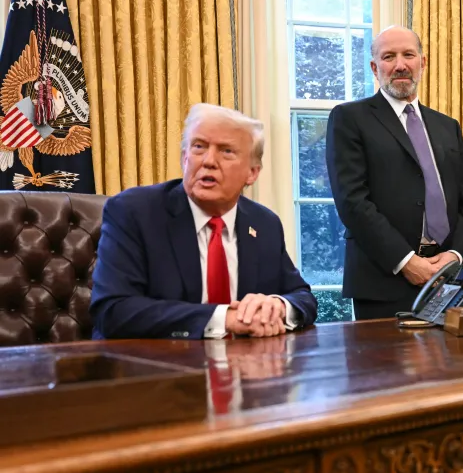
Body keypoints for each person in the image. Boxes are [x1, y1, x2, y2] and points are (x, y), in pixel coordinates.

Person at [90, 103, 317, 340]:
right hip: (152, 367)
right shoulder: (134, 212)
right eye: (199, 147)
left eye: (226, 151)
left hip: (246, 368)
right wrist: (225, 318)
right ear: (185, 157)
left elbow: (302, 297)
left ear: (252, 173)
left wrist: (277, 307)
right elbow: (113, 311)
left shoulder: (264, 223)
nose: (208, 161)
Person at [325, 25, 463, 320]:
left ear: (423, 62)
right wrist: (406, 261)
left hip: (447, 281)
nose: (400, 65)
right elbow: (352, 202)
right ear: (374, 66)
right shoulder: (349, 118)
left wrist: (456, 255)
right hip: (383, 281)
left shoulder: (448, 126)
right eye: (389, 57)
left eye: (408, 55)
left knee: (455, 366)